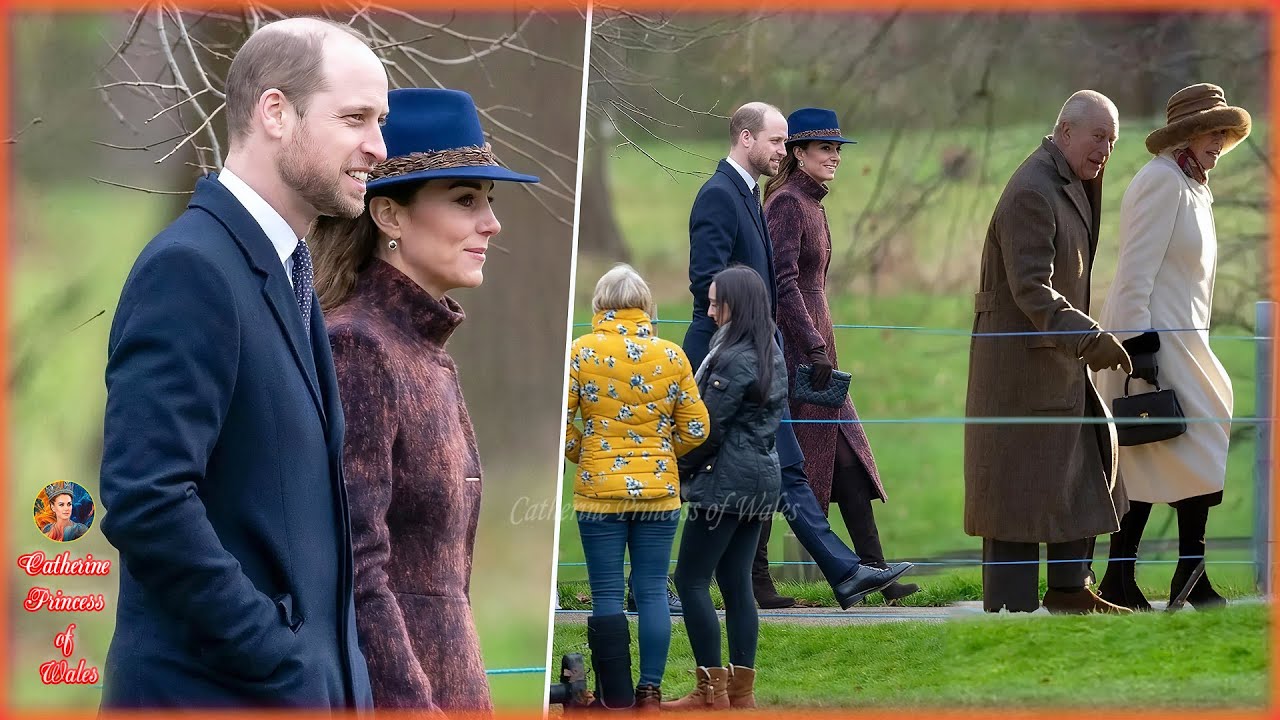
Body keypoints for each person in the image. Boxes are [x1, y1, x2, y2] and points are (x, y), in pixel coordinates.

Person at [98, 18, 386, 707]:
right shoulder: (190, 269)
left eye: (380, 121)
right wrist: (277, 659)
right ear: (276, 113)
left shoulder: (288, 274)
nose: (378, 147)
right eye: (355, 119)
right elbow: (147, 500)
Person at [309, 87, 538, 711]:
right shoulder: (360, 348)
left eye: (488, 201)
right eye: (466, 200)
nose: (491, 223)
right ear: (389, 215)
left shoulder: (420, 347)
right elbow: (358, 573)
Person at [684, 101, 912, 611]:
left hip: (762, 354)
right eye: (776, 141)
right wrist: (772, 338)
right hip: (728, 361)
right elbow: (706, 281)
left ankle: (845, 572)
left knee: (787, 470)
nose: (782, 151)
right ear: (746, 138)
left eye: (787, 141)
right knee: (702, 471)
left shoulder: (750, 195)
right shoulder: (721, 195)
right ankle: (668, 582)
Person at [963, 90, 1132, 615]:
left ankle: (1069, 590)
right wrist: (1089, 337)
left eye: (1113, 140)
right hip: (1020, 368)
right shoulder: (1033, 191)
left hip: (1053, 357)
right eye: (1097, 136)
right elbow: (1032, 288)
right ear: (1064, 132)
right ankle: (1013, 607)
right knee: (1018, 487)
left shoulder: (1068, 180)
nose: (1106, 149)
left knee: (1082, 467)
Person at [1094, 83, 1250, 611]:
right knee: (1153, 452)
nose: (1221, 141)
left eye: (1226, 132)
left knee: (1181, 446)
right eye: (1213, 130)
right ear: (1187, 133)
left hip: (1187, 337)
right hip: (1155, 339)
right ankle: (1149, 576)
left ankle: (1176, 573)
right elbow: (1134, 270)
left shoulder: (1193, 184)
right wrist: (1138, 349)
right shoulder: (1160, 181)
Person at [762, 107, 919, 604]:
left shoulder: (812, 202)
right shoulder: (787, 202)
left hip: (817, 349)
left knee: (844, 458)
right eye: (823, 148)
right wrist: (810, 344)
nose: (834, 156)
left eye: (837, 148)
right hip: (797, 354)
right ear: (797, 152)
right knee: (787, 468)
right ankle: (756, 579)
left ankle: (876, 572)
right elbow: (783, 282)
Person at [564, 263, 709, 710]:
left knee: (606, 592)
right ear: (646, 305)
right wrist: (664, 452)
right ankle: (649, 693)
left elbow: (560, 422)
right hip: (660, 494)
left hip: (598, 494)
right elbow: (698, 428)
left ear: (598, 306)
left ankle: (616, 697)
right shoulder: (671, 356)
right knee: (650, 590)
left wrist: (583, 452)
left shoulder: (580, 352)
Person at [665, 266, 786, 711]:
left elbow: (705, 429)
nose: (710, 311)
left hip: (726, 483)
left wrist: (676, 470)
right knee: (735, 582)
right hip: (760, 481)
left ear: (737, 303)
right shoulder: (770, 347)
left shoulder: (733, 356)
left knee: (690, 579)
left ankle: (708, 692)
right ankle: (742, 693)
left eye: (717, 302)